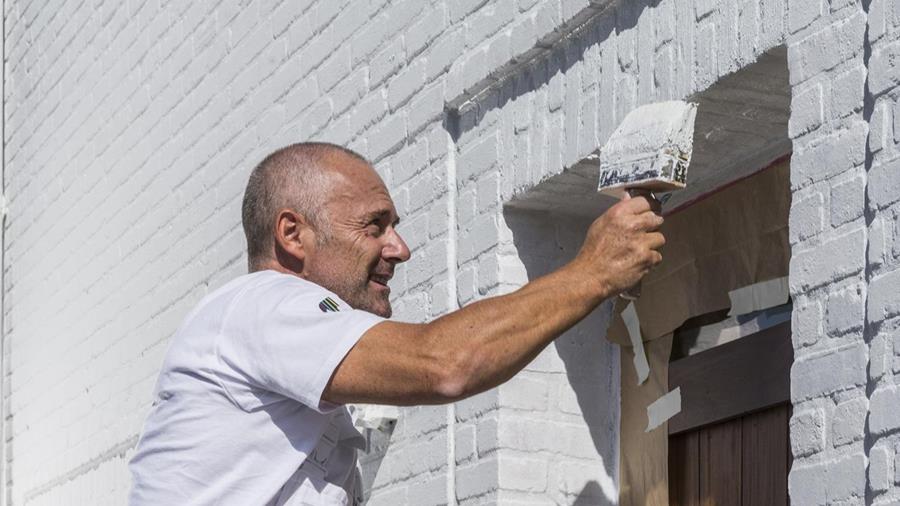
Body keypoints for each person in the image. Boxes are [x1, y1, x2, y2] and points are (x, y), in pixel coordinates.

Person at [128, 142, 664, 505]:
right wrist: (593, 271)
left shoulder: (254, 327)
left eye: (395, 227)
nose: (400, 248)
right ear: (293, 235)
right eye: (374, 226)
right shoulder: (264, 304)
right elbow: (443, 364)